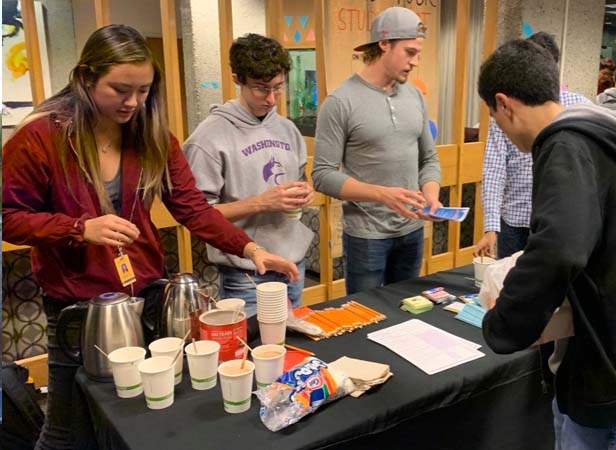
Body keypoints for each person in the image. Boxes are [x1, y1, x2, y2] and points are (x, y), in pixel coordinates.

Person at [1, 25, 298, 450]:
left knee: (144, 416)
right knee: (67, 431)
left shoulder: (152, 133)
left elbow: (192, 207)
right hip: (75, 306)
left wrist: (252, 249)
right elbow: (9, 217)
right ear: (85, 78)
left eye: (143, 91)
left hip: (146, 293)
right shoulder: (42, 137)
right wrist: (78, 228)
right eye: (120, 89)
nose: (133, 103)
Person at [479, 39, 616, 450]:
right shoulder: (593, 139)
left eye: (493, 117)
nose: (499, 128)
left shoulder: (565, 146)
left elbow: (560, 248)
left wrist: (504, 324)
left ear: (504, 104)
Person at [312, 6, 442, 295]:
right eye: (409, 53)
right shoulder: (340, 101)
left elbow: (429, 159)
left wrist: (431, 197)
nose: (415, 62)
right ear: (384, 44)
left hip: (412, 231)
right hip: (366, 237)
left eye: (418, 53)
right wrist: (382, 194)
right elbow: (321, 175)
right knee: (365, 318)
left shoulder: (415, 96)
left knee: (408, 313)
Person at [184, 34, 313, 315]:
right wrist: (262, 202)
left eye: (278, 88)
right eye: (261, 89)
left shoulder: (288, 129)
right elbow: (197, 216)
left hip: (293, 261)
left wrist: (305, 192)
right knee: (255, 352)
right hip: (246, 273)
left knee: (295, 351)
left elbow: (301, 180)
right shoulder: (208, 138)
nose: (271, 98)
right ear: (237, 79)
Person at [474, 31, 590, 259]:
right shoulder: (504, 114)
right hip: (516, 219)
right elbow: (494, 169)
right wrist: (491, 226)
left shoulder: (580, 113)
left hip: (558, 224)